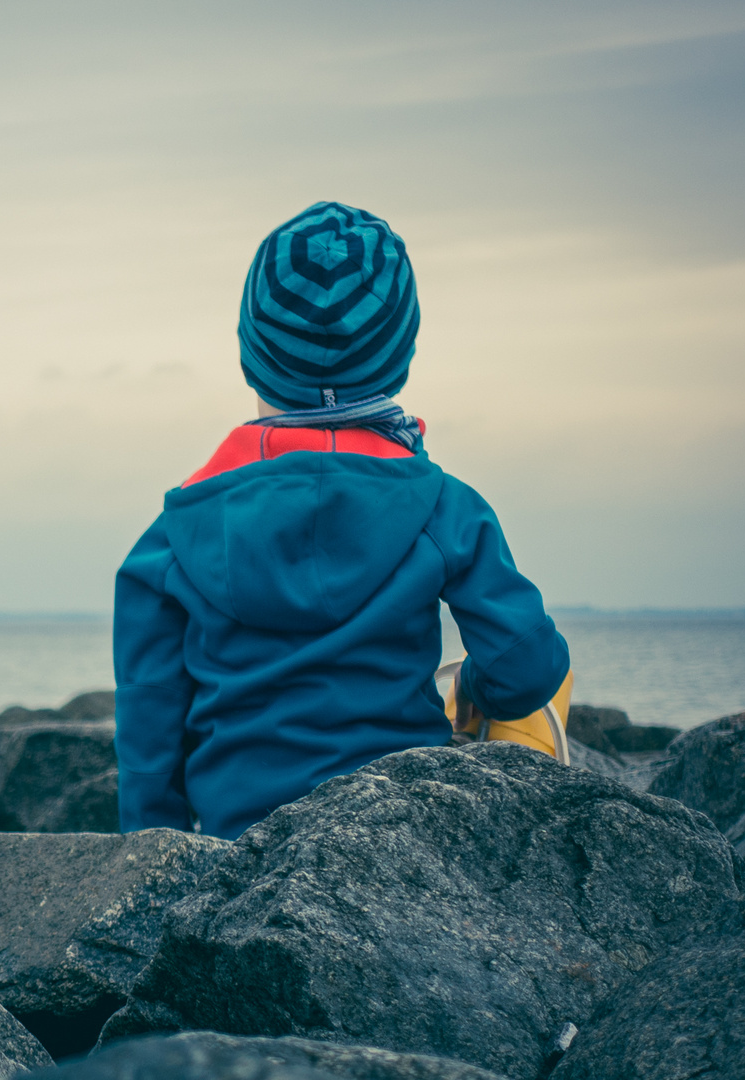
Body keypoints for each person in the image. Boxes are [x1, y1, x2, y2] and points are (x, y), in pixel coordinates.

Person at [112, 201, 570, 841]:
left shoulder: (167, 545)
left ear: (251, 355)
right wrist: (470, 689)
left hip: (239, 838)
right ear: (403, 351)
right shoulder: (444, 507)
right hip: (404, 833)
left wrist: (159, 870)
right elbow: (529, 669)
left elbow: (147, 748)